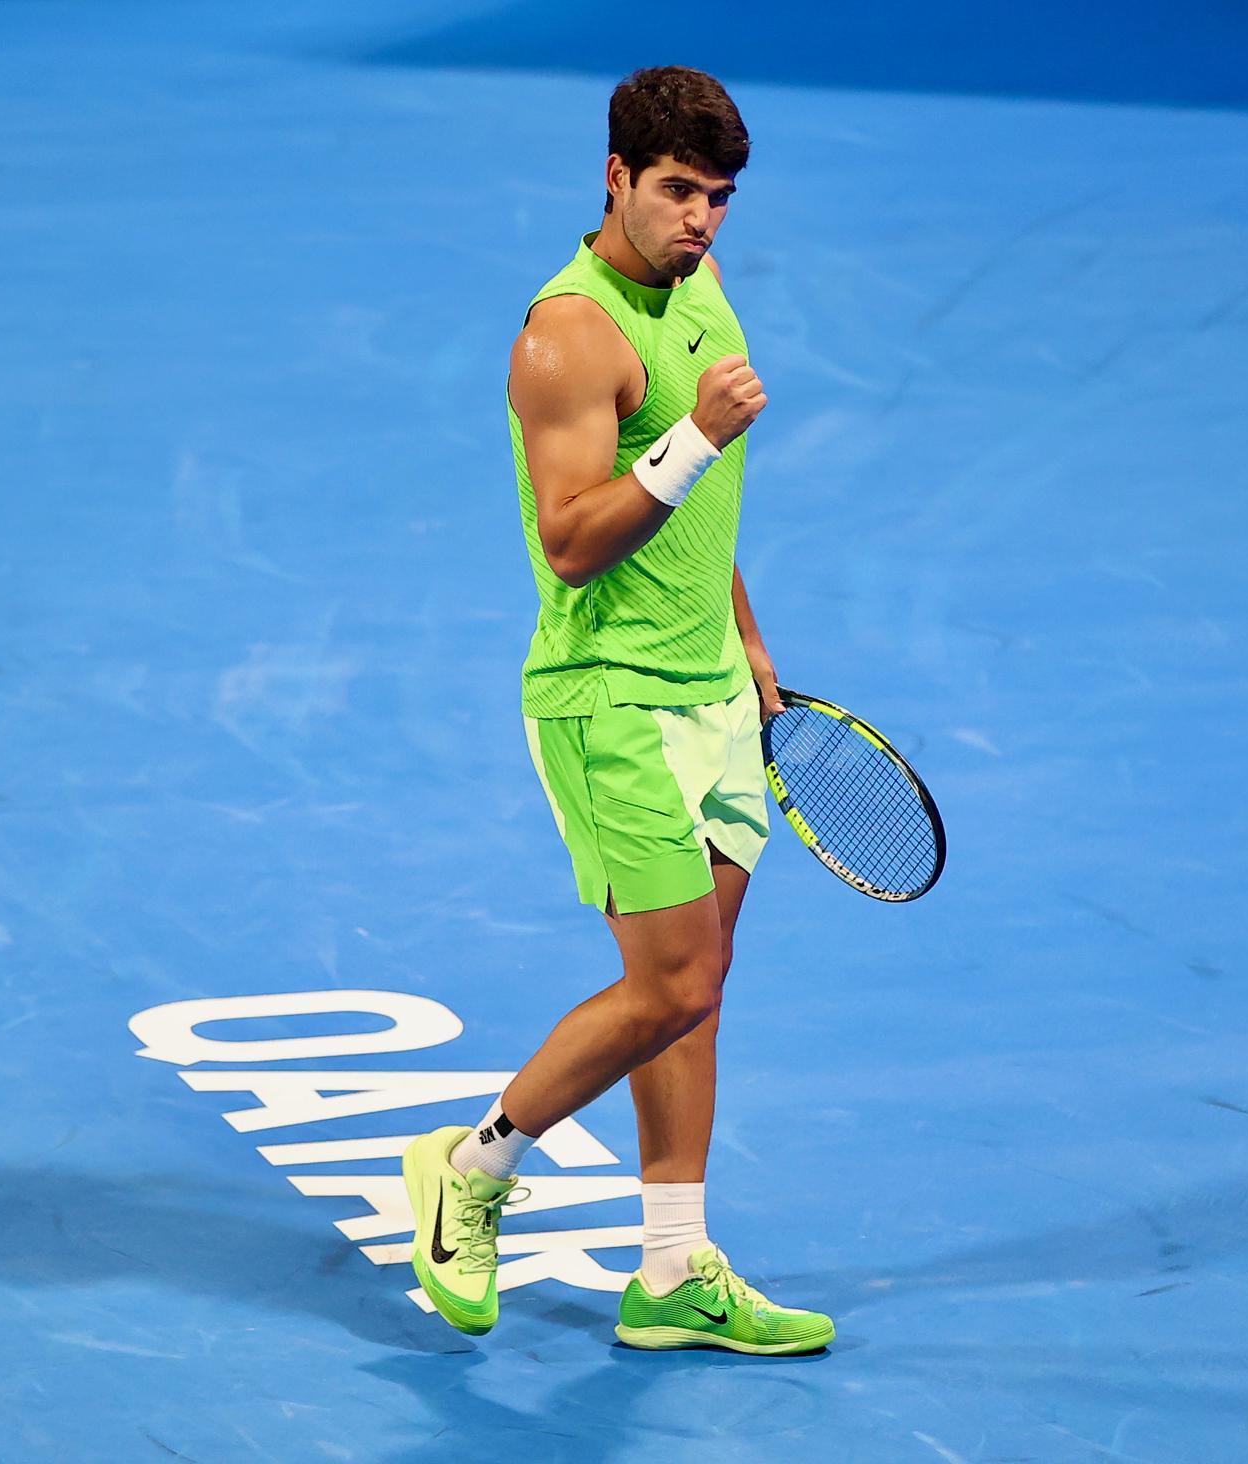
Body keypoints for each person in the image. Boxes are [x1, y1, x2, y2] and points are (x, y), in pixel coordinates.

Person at [401, 65, 833, 1355]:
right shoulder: (569, 337)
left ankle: (671, 1270)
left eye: (720, 198)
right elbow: (574, 540)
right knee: (672, 981)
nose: (701, 221)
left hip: (712, 690)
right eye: (679, 192)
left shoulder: (702, 286)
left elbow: (702, 516)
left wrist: (745, 634)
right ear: (616, 179)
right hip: (610, 704)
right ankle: (470, 1166)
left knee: (698, 990)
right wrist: (695, 433)